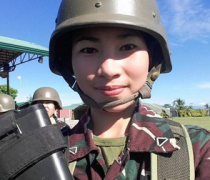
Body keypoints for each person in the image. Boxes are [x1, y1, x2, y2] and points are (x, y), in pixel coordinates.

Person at [49, 0, 210, 179]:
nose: (109, 70)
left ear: (153, 58)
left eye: (128, 47)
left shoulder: (197, 148)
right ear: (68, 63)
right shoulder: (46, 153)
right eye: (89, 49)